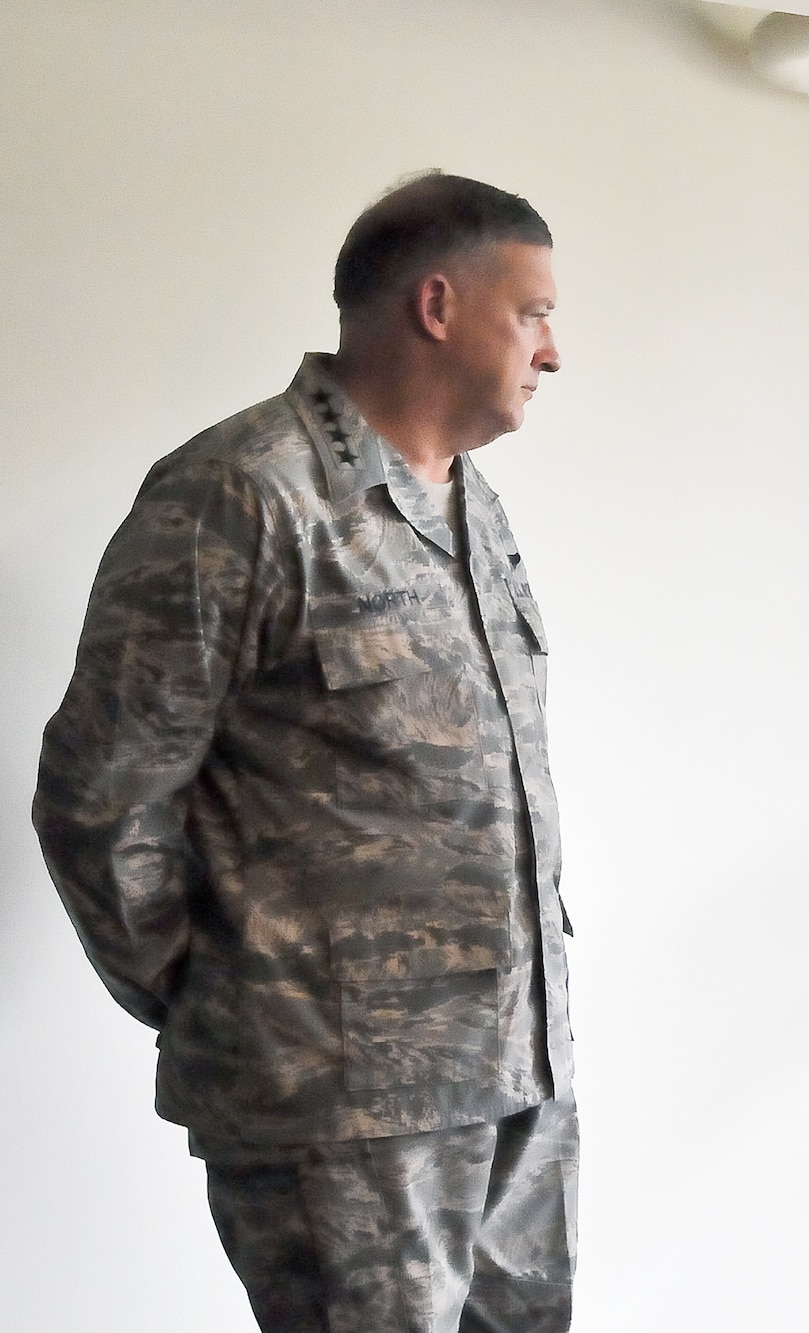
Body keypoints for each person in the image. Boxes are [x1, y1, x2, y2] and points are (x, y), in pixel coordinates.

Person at [33, 172, 578, 1332]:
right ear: (438, 305)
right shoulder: (240, 494)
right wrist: (226, 992)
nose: (552, 351)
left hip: (516, 1070)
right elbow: (99, 791)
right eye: (532, 313)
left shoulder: (471, 508)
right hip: (340, 1099)